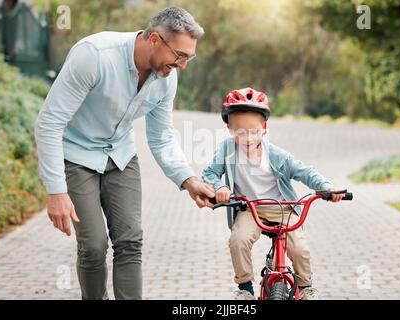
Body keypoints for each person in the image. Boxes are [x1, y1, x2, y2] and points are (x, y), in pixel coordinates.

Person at [34, 7, 215, 300]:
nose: (182, 65)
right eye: (180, 56)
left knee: (130, 241)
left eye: (188, 58)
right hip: (76, 155)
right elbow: (49, 124)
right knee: (93, 245)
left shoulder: (166, 76)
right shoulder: (94, 56)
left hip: (120, 155)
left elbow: (162, 136)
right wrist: (56, 191)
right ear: (155, 39)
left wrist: (188, 179)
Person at [201, 88, 345, 300]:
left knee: (299, 248)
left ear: (264, 128)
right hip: (250, 208)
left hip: (282, 208)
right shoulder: (227, 150)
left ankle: (305, 287)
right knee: (238, 241)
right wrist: (220, 188)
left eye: (253, 131)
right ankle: (245, 288)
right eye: (240, 131)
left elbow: (304, 172)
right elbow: (210, 173)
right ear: (230, 128)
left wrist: (326, 187)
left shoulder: (276, 155)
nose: (247, 137)